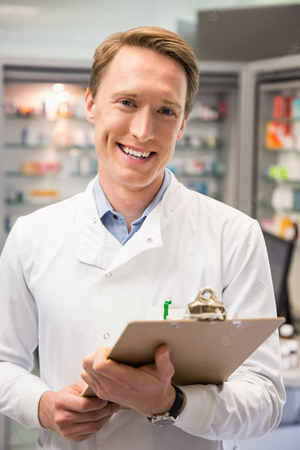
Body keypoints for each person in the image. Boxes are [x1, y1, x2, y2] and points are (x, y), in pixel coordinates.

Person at [0, 26, 285, 450]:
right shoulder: (32, 235)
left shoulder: (234, 236)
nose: (143, 130)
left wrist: (176, 403)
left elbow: (264, 396)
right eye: (127, 102)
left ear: (184, 124)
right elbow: (4, 361)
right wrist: (43, 406)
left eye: (166, 111)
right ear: (92, 104)